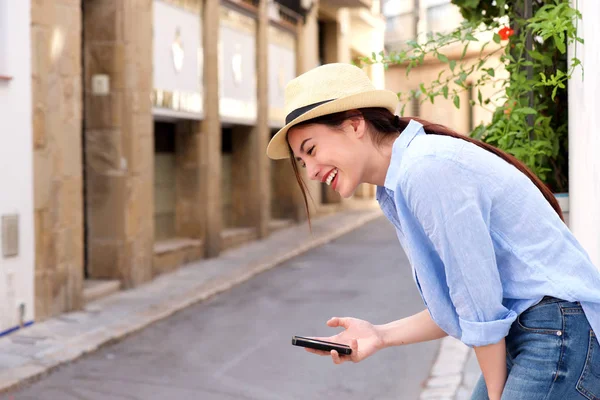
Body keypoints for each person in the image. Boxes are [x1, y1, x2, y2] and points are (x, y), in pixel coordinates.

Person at [266, 63, 600, 400]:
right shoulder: (400, 184)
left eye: (311, 151)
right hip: (540, 330)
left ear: (354, 124)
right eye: (302, 162)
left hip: (558, 329)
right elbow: (460, 302)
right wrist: (379, 335)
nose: (310, 172)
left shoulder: (424, 170)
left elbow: (478, 304)